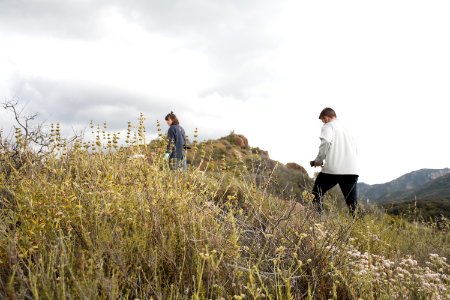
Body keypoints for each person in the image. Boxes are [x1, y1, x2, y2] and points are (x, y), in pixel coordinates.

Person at [310, 107, 359, 216]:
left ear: (326, 118)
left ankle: (318, 221)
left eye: (323, 120)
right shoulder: (348, 128)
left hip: (333, 170)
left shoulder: (328, 126)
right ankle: (359, 229)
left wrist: (318, 160)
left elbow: (326, 142)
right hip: (352, 171)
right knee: (353, 206)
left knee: (316, 194)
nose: (323, 122)